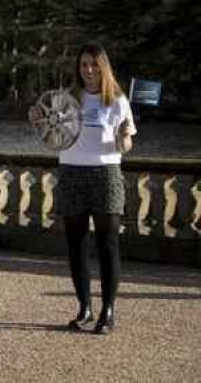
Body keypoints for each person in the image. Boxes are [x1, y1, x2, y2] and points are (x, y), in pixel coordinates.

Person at [29, 43, 135, 334]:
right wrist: (39, 120)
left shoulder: (116, 100)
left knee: (108, 244)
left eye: (93, 64)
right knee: (75, 244)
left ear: (103, 67)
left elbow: (125, 147)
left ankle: (108, 311)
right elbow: (51, 134)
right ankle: (85, 307)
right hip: (71, 171)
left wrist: (124, 136)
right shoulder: (67, 99)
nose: (88, 70)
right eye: (84, 64)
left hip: (106, 173)